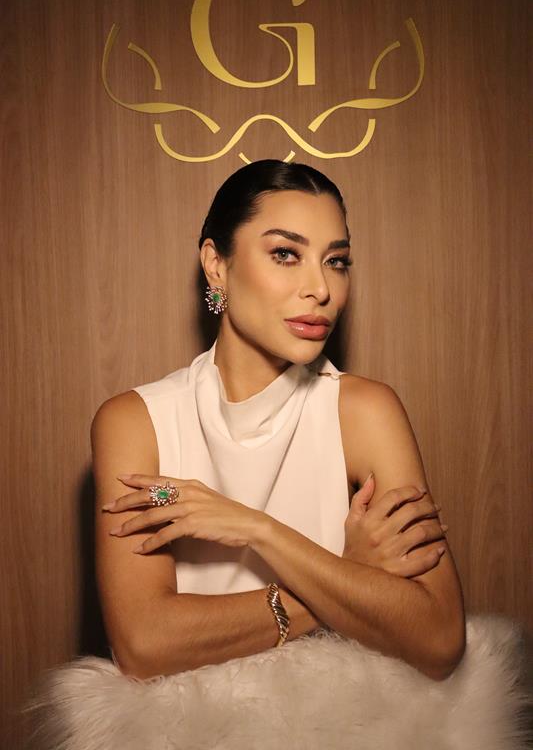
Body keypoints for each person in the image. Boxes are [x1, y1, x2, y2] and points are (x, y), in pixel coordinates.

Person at [91, 159, 466, 684]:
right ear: (216, 265)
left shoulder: (365, 412)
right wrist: (348, 576)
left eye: (336, 261)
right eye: (286, 254)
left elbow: (440, 639)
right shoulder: (136, 421)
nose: (321, 288)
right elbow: (145, 645)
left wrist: (258, 529)